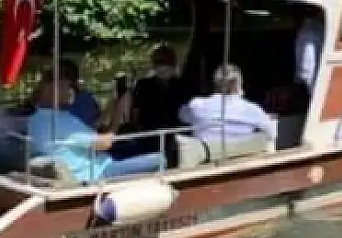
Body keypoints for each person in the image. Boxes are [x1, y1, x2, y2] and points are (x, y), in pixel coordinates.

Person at [27, 74, 163, 183]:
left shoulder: (37, 118)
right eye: (67, 87)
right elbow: (105, 143)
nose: (72, 92)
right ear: (50, 91)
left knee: (132, 148)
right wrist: (119, 115)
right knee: (160, 159)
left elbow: (89, 133)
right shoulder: (58, 121)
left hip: (95, 161)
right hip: (97, 172)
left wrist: (112, 106)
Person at [180, 63, 275, 146]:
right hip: (241, 162)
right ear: (239, 85)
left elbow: (182, 116)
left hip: (204, 162)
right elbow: (272, 134)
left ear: (214, 84)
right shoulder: (252, 109)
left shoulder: (196, 105)